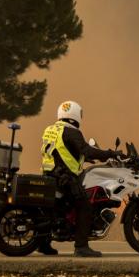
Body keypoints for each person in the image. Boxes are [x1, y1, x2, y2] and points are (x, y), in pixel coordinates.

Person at [39, 100, 120, 257]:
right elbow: (87, 150)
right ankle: (81, 247)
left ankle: (43, 244)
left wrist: (83, 158)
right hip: (65, 178)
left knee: (51, 211)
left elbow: (62, 150)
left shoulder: (51, 129)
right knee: (85, 206)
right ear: (76, 115)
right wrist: (110, 153)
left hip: (50, 175)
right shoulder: (72, 132)